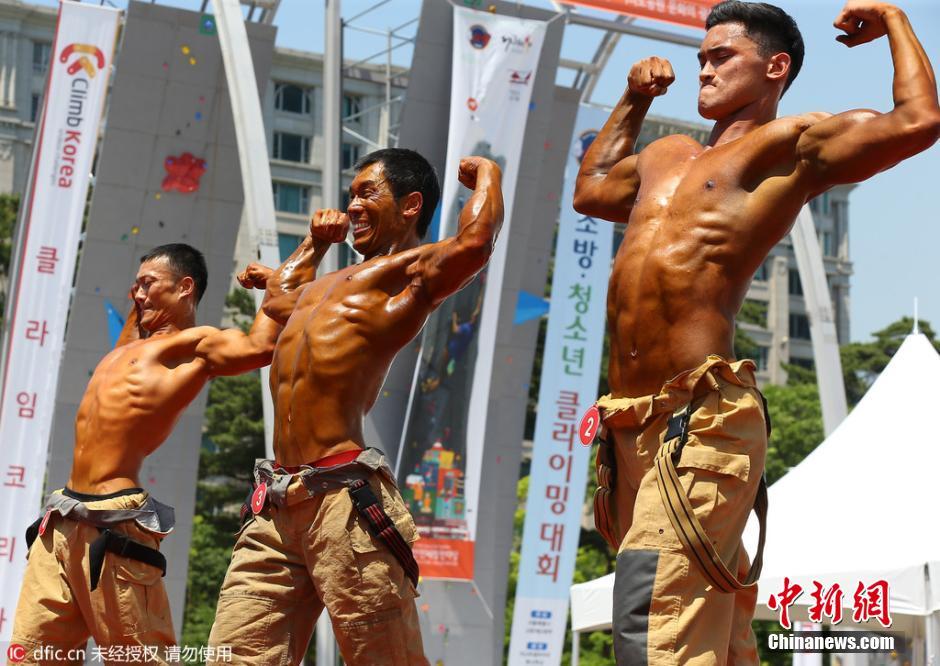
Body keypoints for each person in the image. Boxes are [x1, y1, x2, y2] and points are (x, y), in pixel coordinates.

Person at [573, 1, 939, 663]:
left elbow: (918, 121)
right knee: (711, 630)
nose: (703, 71)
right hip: (629, 426)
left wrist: (893, 19)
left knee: (649, 608)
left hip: (700, 417)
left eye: (721, 58)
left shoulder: (791, 145)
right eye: (700, 59)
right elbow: (592, 189)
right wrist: (630, 100)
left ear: (775, 67)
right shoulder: (664, 154)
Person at [207, 149, 503, 666]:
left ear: (411, 205)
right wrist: (317, 242)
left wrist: (488, 175)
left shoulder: (413, 274)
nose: (353, 206)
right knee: (232, 657)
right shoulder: (321, 288)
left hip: (343, 500)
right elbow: (279, 295)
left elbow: (475, 243)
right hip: (275, 505)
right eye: (351, 195)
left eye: (367, 192)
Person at [10, 242, 313, 664]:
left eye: (148, 284)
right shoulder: (128, 344)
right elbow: (140, 303)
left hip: (112, 520)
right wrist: (143, 288)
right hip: (60, 522)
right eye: (135, 286)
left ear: (185, 288)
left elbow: (260, 347)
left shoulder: (196, 345)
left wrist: (290, 271)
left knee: (137, 658)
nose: (137, 294)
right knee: (32, 657)